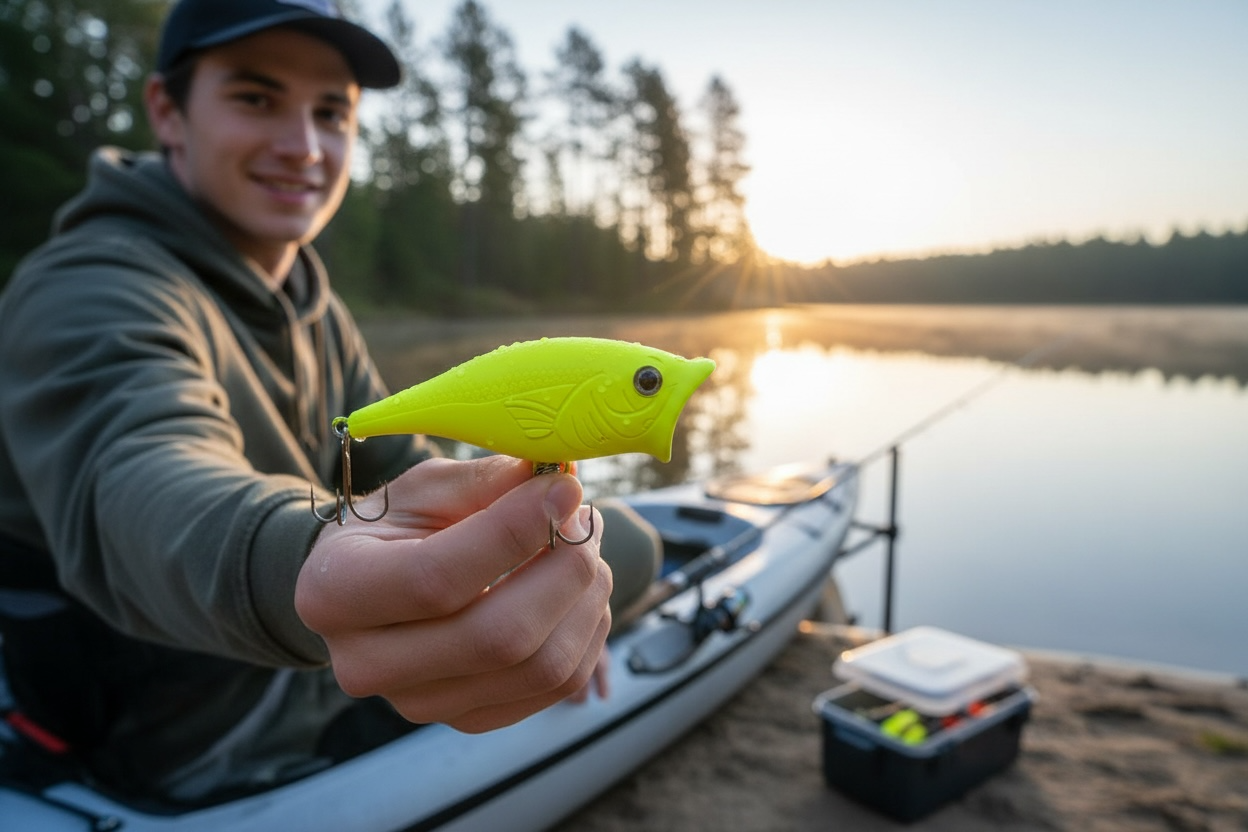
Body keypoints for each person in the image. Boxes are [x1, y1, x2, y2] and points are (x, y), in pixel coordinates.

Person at [0, 0, 653, 804]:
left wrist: (547, 576)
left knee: (626, 541)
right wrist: (307, 562)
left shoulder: (315, 306)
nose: (304, 147)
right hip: (184, 723)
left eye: (331, 113)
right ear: (167, 111)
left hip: (287, 664)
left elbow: (399, 463)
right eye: (256, 98)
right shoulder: (87, 290)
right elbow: (140, 474)